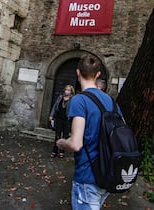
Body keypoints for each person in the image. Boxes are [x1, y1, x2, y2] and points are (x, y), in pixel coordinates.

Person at [56, 54, 120, 209]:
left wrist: (61, 142)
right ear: (98, 74)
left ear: (78, 72)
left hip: (87, 176)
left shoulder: (79, 100)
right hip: (108, 173)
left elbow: (76, 144)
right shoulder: (112, 102)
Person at [49, 85, 75, 158]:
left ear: (71, 91)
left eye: (69, 90)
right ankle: (54, 151)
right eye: (66, 89)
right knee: (57, 135)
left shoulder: (72, 99)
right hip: (59, 118)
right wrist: (51, 115)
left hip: (67, 119)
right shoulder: (60, 97)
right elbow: (55, 106)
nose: (67, 91)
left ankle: (62, 151)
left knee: (65, 136)